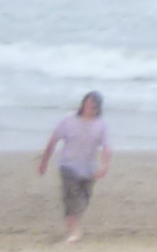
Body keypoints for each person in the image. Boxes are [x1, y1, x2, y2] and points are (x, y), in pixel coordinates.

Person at [35, 93, 108, 244]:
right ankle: (74, 232)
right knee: (71, 198)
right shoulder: (68, 119)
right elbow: (53, 140)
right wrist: (44, 162)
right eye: (87, 104)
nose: (90, 108)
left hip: (89, 168)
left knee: (83, 200)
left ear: (98, 108)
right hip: (68, 165)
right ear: (83, 104)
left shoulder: (100, 124)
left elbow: (107, 147)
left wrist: (104, 165)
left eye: (94, 106)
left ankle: (73, 226)